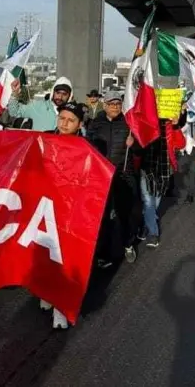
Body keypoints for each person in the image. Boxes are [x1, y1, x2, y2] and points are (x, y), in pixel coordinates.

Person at [42, 101, 87, 329]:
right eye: (62, 118)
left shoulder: (84, 147)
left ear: (79, 124)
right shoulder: (45, 140)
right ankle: (46, 294)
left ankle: (61, 308)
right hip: (44, 207)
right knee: (43, 255)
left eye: (71, 120)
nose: (65, 123)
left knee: (64, 259)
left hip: (69, 211)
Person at [87, 91, 138, 265]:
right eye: (111, 104)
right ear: (104, 105)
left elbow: (140, 150)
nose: (115, 107)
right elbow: (88, 147)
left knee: (127, 214)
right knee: (103, 217)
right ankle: (103, 252)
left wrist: (135, 143)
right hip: (102, 177)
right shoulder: (96, 123)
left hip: (124, 174)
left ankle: (128, 244)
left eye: (117, 104)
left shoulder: (128, 122)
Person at [138, 116, 186, 249]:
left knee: (156, 201)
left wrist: (176, 126)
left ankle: (146, 223)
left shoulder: (170, 124)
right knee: (148, 201)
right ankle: (153, 233)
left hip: (164, 168)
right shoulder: (145, 121)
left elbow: (181, 144)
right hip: (147, 167)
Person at [7, 77, 74, 132]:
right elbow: (14, 112)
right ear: (53, 92)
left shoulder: (73, 114)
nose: (60, 97)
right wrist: (14, 94)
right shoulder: (37, 106)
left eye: (64, 94)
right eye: (58, 93)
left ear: (69, 96)